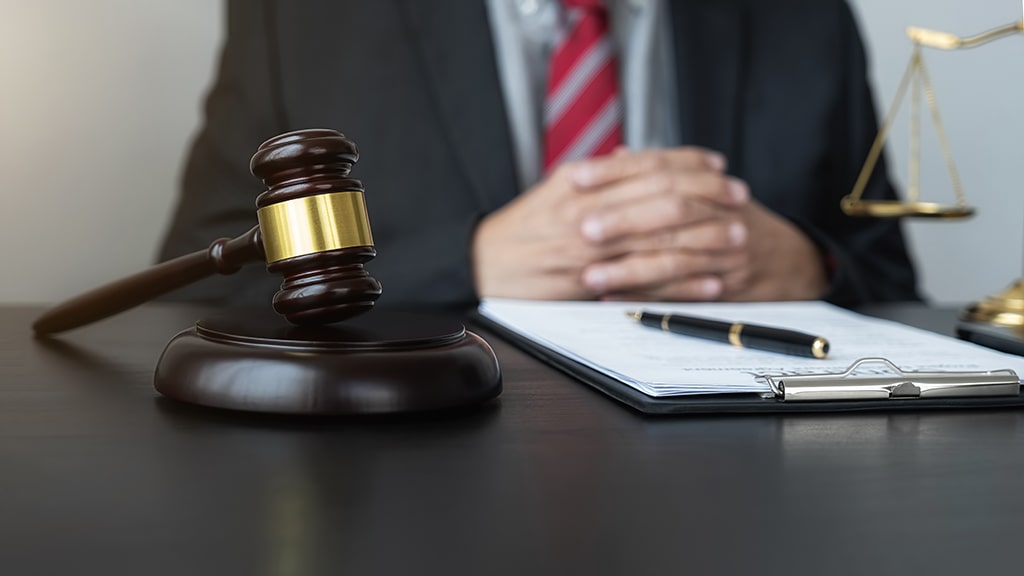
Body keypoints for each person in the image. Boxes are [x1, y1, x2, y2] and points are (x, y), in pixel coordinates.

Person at [158, 0, 921, 310]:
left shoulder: (804, 16)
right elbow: (193, 285)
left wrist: (810, 269)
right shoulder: (302, 19)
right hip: (414, 490)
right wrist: (467, 265)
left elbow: (891, 282)